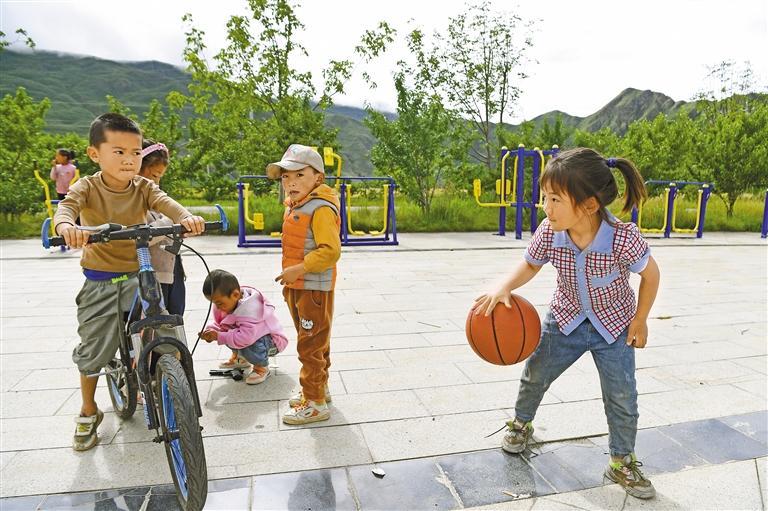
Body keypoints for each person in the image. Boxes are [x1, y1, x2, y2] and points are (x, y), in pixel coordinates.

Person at [473, 148, 661, 500]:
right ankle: (521, 423)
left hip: (614, 328)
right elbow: (531, 264)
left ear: (589, 205)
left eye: (556, 199)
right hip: (565, 319)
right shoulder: (550, 231)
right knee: (535, 374)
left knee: (622, 395)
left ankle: (621, 460)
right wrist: (504, 286)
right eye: (545, 197)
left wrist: (641, 320)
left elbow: (651, 275)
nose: (546, 207)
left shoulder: (623, 237)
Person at [54, 113, 205, 451]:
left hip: (140, 275)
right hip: (102, 281)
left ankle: (169, 384)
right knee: (94, 349)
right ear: (95, 154)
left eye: (135, 152)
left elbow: (167, 203)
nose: (129, 160)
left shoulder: (144, 186)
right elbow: (66, 208)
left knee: (164, 331)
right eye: (119, 152)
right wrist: (66, 227)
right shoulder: (87, 187)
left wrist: (187, 217)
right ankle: (88, 410)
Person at [268, 144, 341, 425]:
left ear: (318, 178)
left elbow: (330, 251)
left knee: (310, 345)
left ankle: (314, 403)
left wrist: (298, 269)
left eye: (299, 175)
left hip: (313, 287)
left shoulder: (320, 209)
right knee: (315, 341)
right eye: (285, 177)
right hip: (299, 285)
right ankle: (319, 388)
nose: (291, 182)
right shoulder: (296, 206)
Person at [200, 269, 289, 385]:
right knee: (226, 332)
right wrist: (211, 331)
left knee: (239, 338)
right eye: (214, 303)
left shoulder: (250, 309)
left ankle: (261, 367)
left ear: (235, 295)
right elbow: (220, 324)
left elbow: (247, 337)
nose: (217, 307)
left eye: (219, 303)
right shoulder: (227, 303)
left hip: (272, 342)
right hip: (252, 337)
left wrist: (218, 336)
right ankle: (240, 359)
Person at [138, 139, 186, 316]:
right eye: (154, 175)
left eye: (160, 177)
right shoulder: (131, 202)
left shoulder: (157, 198)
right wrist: (169, 222)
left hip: (172, 269)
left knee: (175, 317)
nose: (156, 182)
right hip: (151, 276)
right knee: (155, 322)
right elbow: (140, 234)